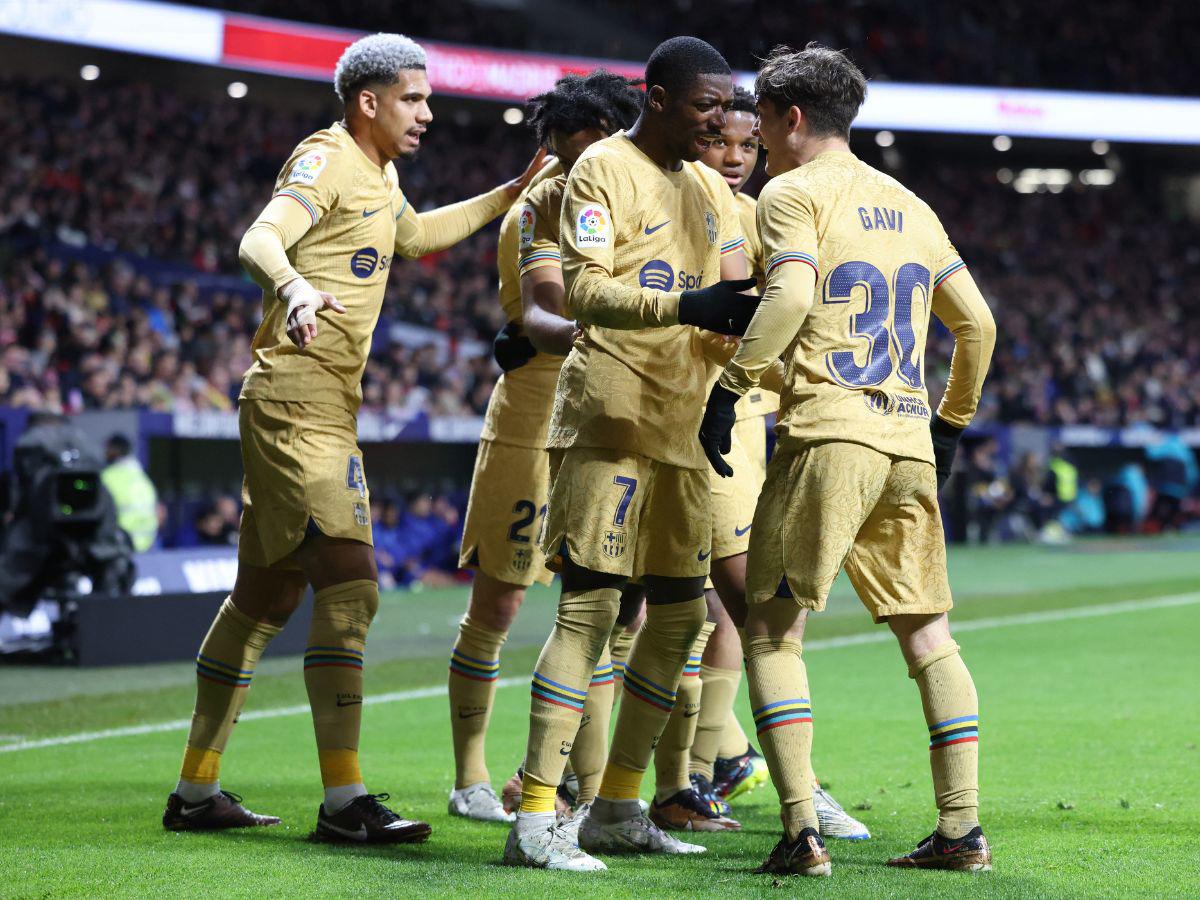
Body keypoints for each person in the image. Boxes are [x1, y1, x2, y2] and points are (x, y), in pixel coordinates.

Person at [161, 32, 545, 842]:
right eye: (414, 98)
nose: (428, 113)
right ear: (368, 101)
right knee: (353, 589)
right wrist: (295, 285)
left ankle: (195, 794)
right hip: (296, 400)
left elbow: (413, 237)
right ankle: (344, 801)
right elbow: (258, 239)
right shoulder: (327, 157)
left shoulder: (380, 170)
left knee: (265, 596)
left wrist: (508, 192)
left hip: (327, 402)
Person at [698, 44, 997, 875]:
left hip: (829, 432)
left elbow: (791, 294)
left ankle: (800, 832)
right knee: (931, 637)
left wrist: (732, 386)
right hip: (907, 440)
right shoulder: (911, 203)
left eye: (760, 120)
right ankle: (961, 828)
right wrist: (951, 424)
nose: (755, 135)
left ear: (790, 119)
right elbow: (977, 326)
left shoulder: (789, 193)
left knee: (770, 634)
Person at [504, 35, 762, 872]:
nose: (718, 121)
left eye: (726, 106)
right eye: (704, 106)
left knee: (683, 615)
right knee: (591, 609)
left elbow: (733, 297)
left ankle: (617, 803)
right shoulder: (601, 171)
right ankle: (536, 815)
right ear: (656, 98)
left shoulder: (711, 194)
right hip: (612, 416)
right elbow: (582, 291)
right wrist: (693, 301)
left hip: (684, 427)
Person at [449, 70, 644, 825]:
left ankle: (582, 789)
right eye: (581, 140)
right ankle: (471, 776)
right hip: (537, 409)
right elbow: (553, 308)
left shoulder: (631, 191)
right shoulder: (546, 203)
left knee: (607, 601)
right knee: (501, 596)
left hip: (615, 407)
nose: (591, 155)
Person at [691, 85, 868, 841]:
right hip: (698, 418)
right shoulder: (693, 201)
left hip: (747, 422)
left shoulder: (773, 205)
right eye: (719, 142)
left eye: (745, 145)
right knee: (738, 610)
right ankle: (757, 781)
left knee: (726, 614)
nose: (736, 158)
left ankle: (699, 772)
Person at [100, 433, 158, 552]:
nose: (105, 452)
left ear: (114, 450)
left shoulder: (108, 477)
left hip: (120, 547)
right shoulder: (143, 478)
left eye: (108, 448)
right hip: (147, 548)